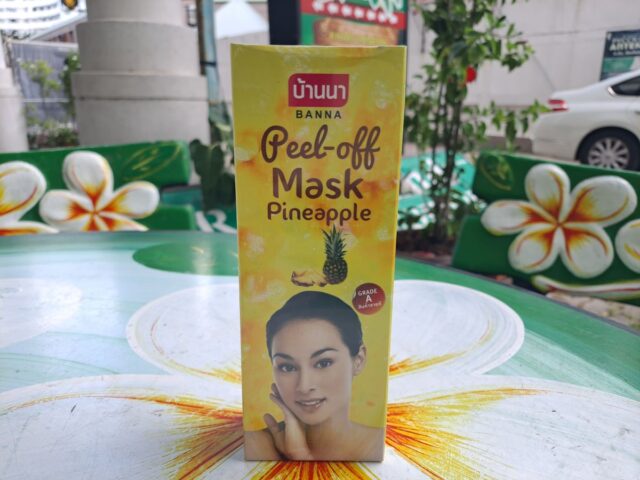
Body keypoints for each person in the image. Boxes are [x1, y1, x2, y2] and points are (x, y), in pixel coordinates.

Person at [244, 291, 384, 461]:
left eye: (323, 363)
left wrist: (300, 455)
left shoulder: (376, 446)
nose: (304, 386)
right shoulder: (255, 446)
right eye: (287, 367)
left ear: (358, 360)